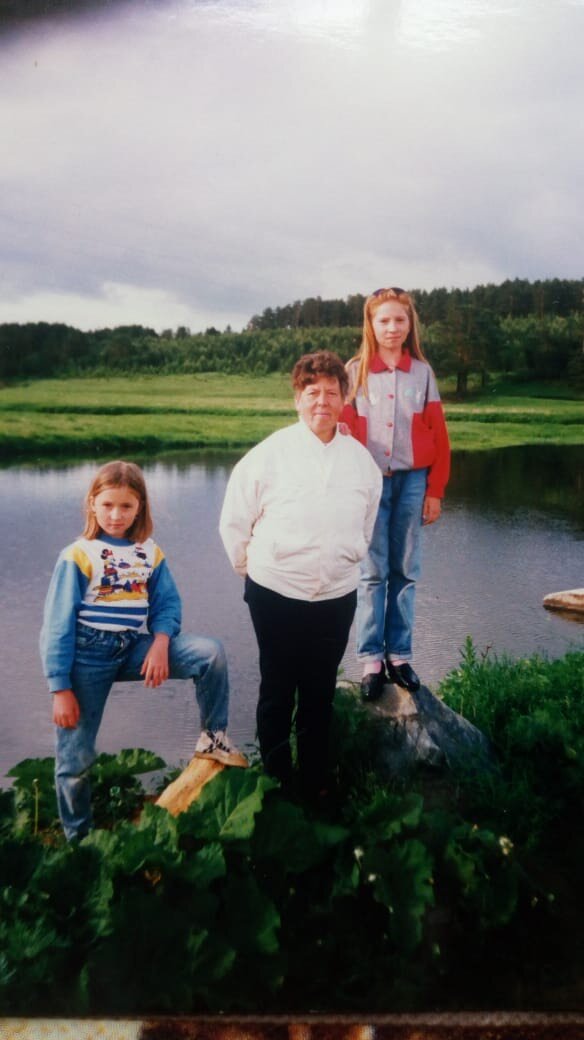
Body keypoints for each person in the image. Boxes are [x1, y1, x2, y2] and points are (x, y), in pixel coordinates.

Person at [40, 459, 246, 841]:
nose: (116, 515)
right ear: (92, 504)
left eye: (126, 506)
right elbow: (57, 624)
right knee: (75, 758)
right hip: (87, 655)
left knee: (210, 653)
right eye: (107, 505)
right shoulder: (78, 554)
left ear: (140, 508)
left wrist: (160, 643)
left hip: (134, 646)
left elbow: (167, 605)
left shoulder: (148, 552)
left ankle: (213, 736)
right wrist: (60, 688)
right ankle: (78, 842)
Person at [219, 350, 382, 802]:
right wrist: (252, 573)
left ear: (345, 399)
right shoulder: (268, 455)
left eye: (332, 392)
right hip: (275, 593)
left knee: (319, 690)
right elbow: (234, 521)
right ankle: (273, 781)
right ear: (297, 398)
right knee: (277, 687)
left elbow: (366, 525)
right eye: (313, 393)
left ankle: (314, 783)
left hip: (336, 596)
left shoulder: (361, 462)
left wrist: (343, 560)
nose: (322, 402)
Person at [340, 287, 451, 701]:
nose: (391, 328)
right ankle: (370, 661)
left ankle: (399, 656)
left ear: (410, 325)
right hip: (369, 483)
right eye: (383, 320)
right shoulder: (355, 372)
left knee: (405, 569)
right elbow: (345, 433)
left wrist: (434, 490)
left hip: (412, 482)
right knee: (372, 571)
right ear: (370, 324)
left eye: (399, 320)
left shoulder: (422, 373)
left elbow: (438, 435)